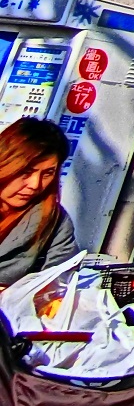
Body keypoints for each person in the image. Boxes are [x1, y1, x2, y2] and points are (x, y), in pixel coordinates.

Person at [0, 118, 77, 287]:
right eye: (26, 172)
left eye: (48, 173)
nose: (35, 185)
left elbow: (60, 279)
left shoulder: (54, 220)